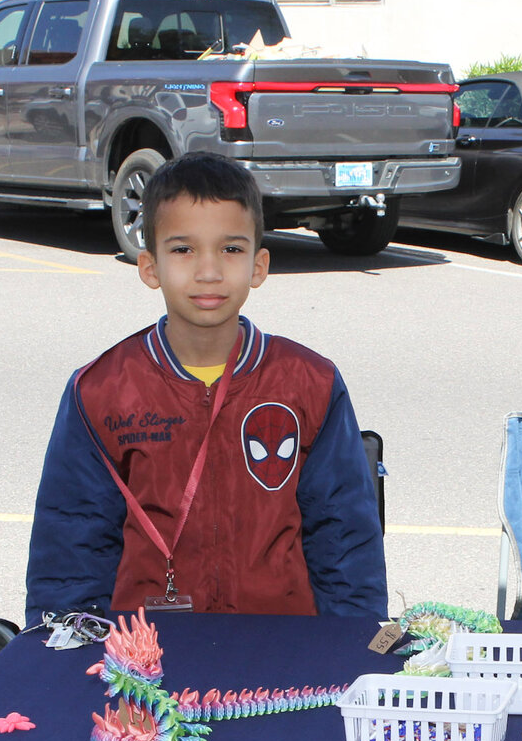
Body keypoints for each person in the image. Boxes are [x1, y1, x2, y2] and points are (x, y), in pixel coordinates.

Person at [25, 151, 387, 624]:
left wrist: (351, 650)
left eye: (231, 249)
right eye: (183, 249)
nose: (209, 270)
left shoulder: (311, 382)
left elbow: (345, 543)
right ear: (150, 266)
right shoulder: (99, 390)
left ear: (259, 266)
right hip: (144, 663)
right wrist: (63, 655)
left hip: (284, 652)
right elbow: (70, 548)